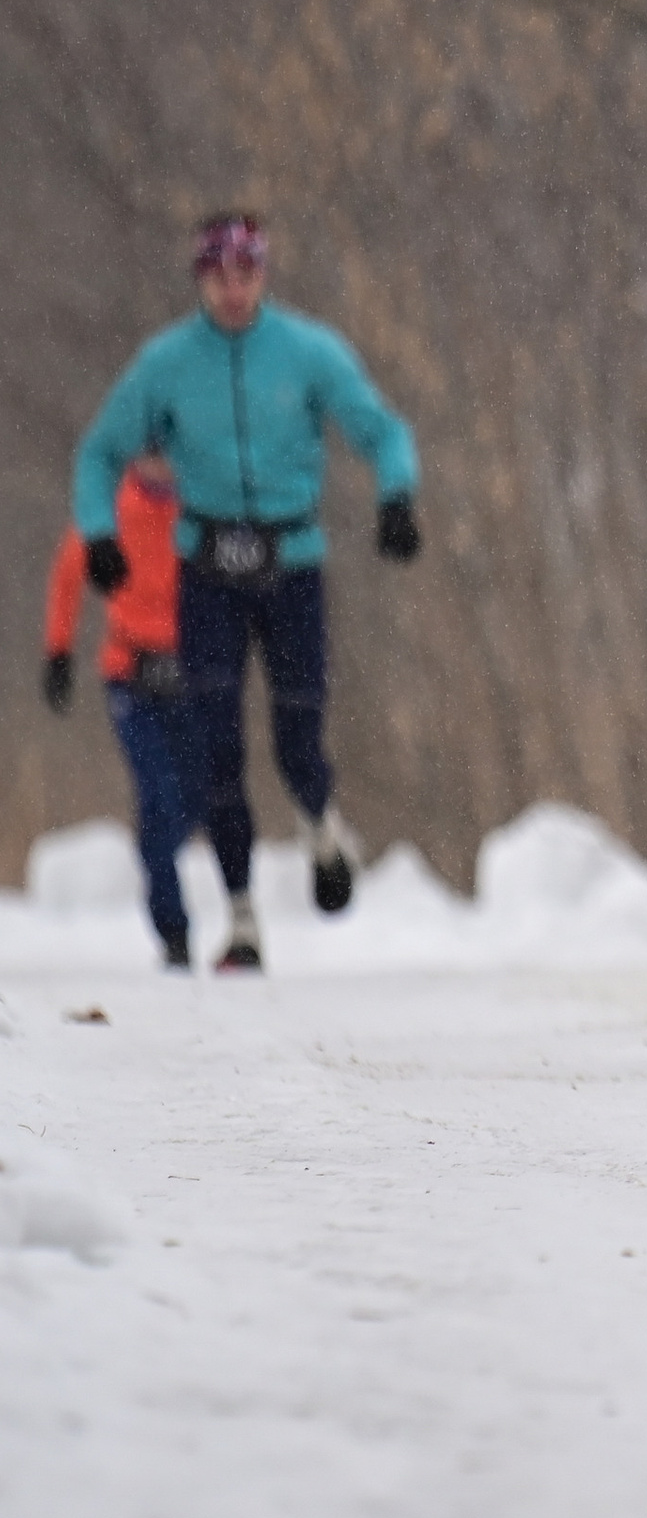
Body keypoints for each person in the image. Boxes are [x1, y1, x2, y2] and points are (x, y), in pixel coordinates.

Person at [73, 216, 420, 973]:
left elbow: (381, 429)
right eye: (219, 275)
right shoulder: (166, 365)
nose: (234, 290)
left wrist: (396, 496)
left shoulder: (308, 352)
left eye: (247, 272)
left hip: (291, 562)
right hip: (209, 570)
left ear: (264, 273)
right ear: (200, 278)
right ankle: (240, 916)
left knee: (298, 735)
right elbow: (100, 453)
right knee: (217, 746)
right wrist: (99, 533)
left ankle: (322, 825)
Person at [43, 449, 196, 968]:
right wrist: (58, 651)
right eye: (153, 455)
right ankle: (172, 927)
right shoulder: (108, 510)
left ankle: (160, 859)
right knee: (156, 792)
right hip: (130, 672)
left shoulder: (201, 505)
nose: (163, 466)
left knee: (194, 794)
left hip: (191, 672)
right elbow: (68, 575)